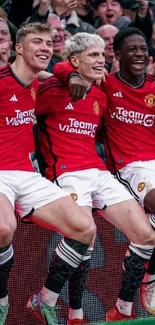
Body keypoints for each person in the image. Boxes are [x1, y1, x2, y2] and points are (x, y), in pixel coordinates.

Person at [37, 31, 155, 324]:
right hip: (72, 172)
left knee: (146, 236)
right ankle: (72, 313)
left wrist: (76, 73)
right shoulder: (58, 88)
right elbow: (32, 75)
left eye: (102, 55)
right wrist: (66, 73)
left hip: (99, 171)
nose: (100, 60)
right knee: (84, 238)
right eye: (94, 55)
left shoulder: (101, 93)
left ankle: (126, 305)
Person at [0, 22, 98, 325]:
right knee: (3, 229)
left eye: (48, 42)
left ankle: (46, 298)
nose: (45, 47)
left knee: (85, 229)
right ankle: (1, 298)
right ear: (18, 48)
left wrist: (68, 72)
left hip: (28, 175)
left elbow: (57, 69)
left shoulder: (37, 83)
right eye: (36, 42)